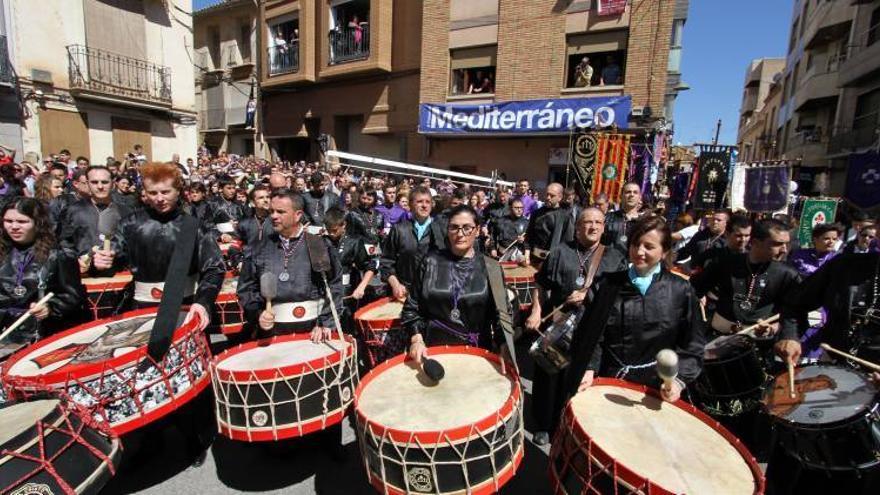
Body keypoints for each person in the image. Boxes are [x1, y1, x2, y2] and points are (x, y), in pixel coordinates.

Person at [770, 249, 880, 494]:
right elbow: (794, 304)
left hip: (874, 406)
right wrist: (790, 337)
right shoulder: (846, 265)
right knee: (793, 469)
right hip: (827, 382)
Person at [567, 215, 706, 402]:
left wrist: (678, 382)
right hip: (608, 378)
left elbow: (693, 345)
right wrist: (589, 367)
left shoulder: (681, 290)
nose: (639, 251)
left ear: (664, 252)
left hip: (655, 387)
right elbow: (590, 335)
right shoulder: (607, 285)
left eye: (649, 247)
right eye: (635, 244)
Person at [525, 207, 627, 444]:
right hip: (559, 325)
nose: (593, 227)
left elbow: (621, 294)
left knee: (578, 381)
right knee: (549, 377)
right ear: (578, 226)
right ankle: (544, 425)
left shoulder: (615, 257)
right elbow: (540, 283)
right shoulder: (560, 251)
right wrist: (536, 311)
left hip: (591, 330)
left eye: (598, 222)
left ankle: (568, 426)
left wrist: (590, 294)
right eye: (587, 222)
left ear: (603, 227)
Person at [93, 162, 223, 325]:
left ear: (178, 191)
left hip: (187, 306)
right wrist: (102, 261)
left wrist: (203, 302)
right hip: (141, 307)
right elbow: (116, 255)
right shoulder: (130, 224)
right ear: (145, 194)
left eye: (165, 192)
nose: (160, 198)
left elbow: (214, 268)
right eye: (153, 193)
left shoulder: (194, 226)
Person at [402, 205, 504, 360]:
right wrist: (416, 339)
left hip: (476, 352)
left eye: (467, 228)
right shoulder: (430, 262)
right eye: (454, 227)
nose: (460, 233)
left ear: (477, 231)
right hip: (434, 350)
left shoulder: (492, 268)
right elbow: (411, 309)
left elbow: (501, 317)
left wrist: (503, 345)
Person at [236, 189, 342, 339]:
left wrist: (326, 323)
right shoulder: (259, 248)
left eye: (280, 212)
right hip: (272, 332)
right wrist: (258, 314)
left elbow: (334, 285)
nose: (273, 216)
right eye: (272, 211)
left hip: (313, 331)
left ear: (298, 215)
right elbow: (246, 288)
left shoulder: (319, 245)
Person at [0, 198, 86, 359]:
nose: (14, 227)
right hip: (4, 334)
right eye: (8, 221)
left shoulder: (58, 255)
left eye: (22, 221)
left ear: (38, 223)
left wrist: (51, 307)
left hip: (40, 336)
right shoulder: (2, 252)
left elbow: (73, 296)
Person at [60, 166, 134, 275]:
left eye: (104, 182)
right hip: (84, 274)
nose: (100, 186)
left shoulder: (126, 211)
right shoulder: (73, 210)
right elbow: (64, 243)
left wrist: (116, 254)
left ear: (113, 184)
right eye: (94, 182)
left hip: (118, 274)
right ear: (88, 184)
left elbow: (132, 245)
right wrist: (75, 261)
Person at [380, 187, 447, 302]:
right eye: (419, 202)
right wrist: (395, 285)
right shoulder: (399, 230)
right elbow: (386, 262)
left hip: (432, 295)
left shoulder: (441, 230)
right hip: (403, 294)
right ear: (410, 204)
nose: (424, 205)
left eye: (427, 202)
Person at [787, 222, 842, 360]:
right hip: (796, 306)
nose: (831, 242)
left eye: (834, 239)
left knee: (810, 349)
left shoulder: (838, 260)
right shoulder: (799, 256)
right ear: (815, 239)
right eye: (826, 238)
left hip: (821, 310)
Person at [524, 183, 572, 267]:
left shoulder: (565, 217)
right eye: (547, 194)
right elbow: (529, 236)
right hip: (533, 259)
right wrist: (527, 255)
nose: (548, 198)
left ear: (560, 197)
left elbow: (567, 243)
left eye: (552, 196)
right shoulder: (536, 213)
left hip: (552, 263)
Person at [603, 182, 644, 248]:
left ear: (640, 197)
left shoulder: (644, 222)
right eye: (628, 192)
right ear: (621, 196)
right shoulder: (608, 218)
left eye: (635, 192)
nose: (631, 195)